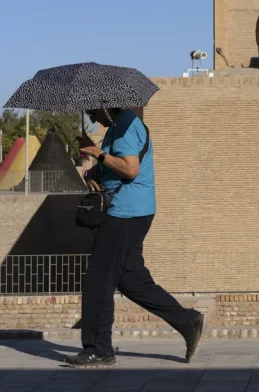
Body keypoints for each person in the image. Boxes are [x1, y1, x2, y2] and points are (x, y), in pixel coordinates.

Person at [66, 107, 205, 368]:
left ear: (106, 104)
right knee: (131, 279)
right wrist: (94, 174)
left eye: (94, 111)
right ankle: (188, 321)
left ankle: (99, 350)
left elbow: (130, 169)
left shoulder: (127, 126)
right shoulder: (120, 126)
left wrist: (97, 152)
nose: (93, 118)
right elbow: (116, 168)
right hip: (134, 211)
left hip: (125, 214)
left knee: (98, 279)